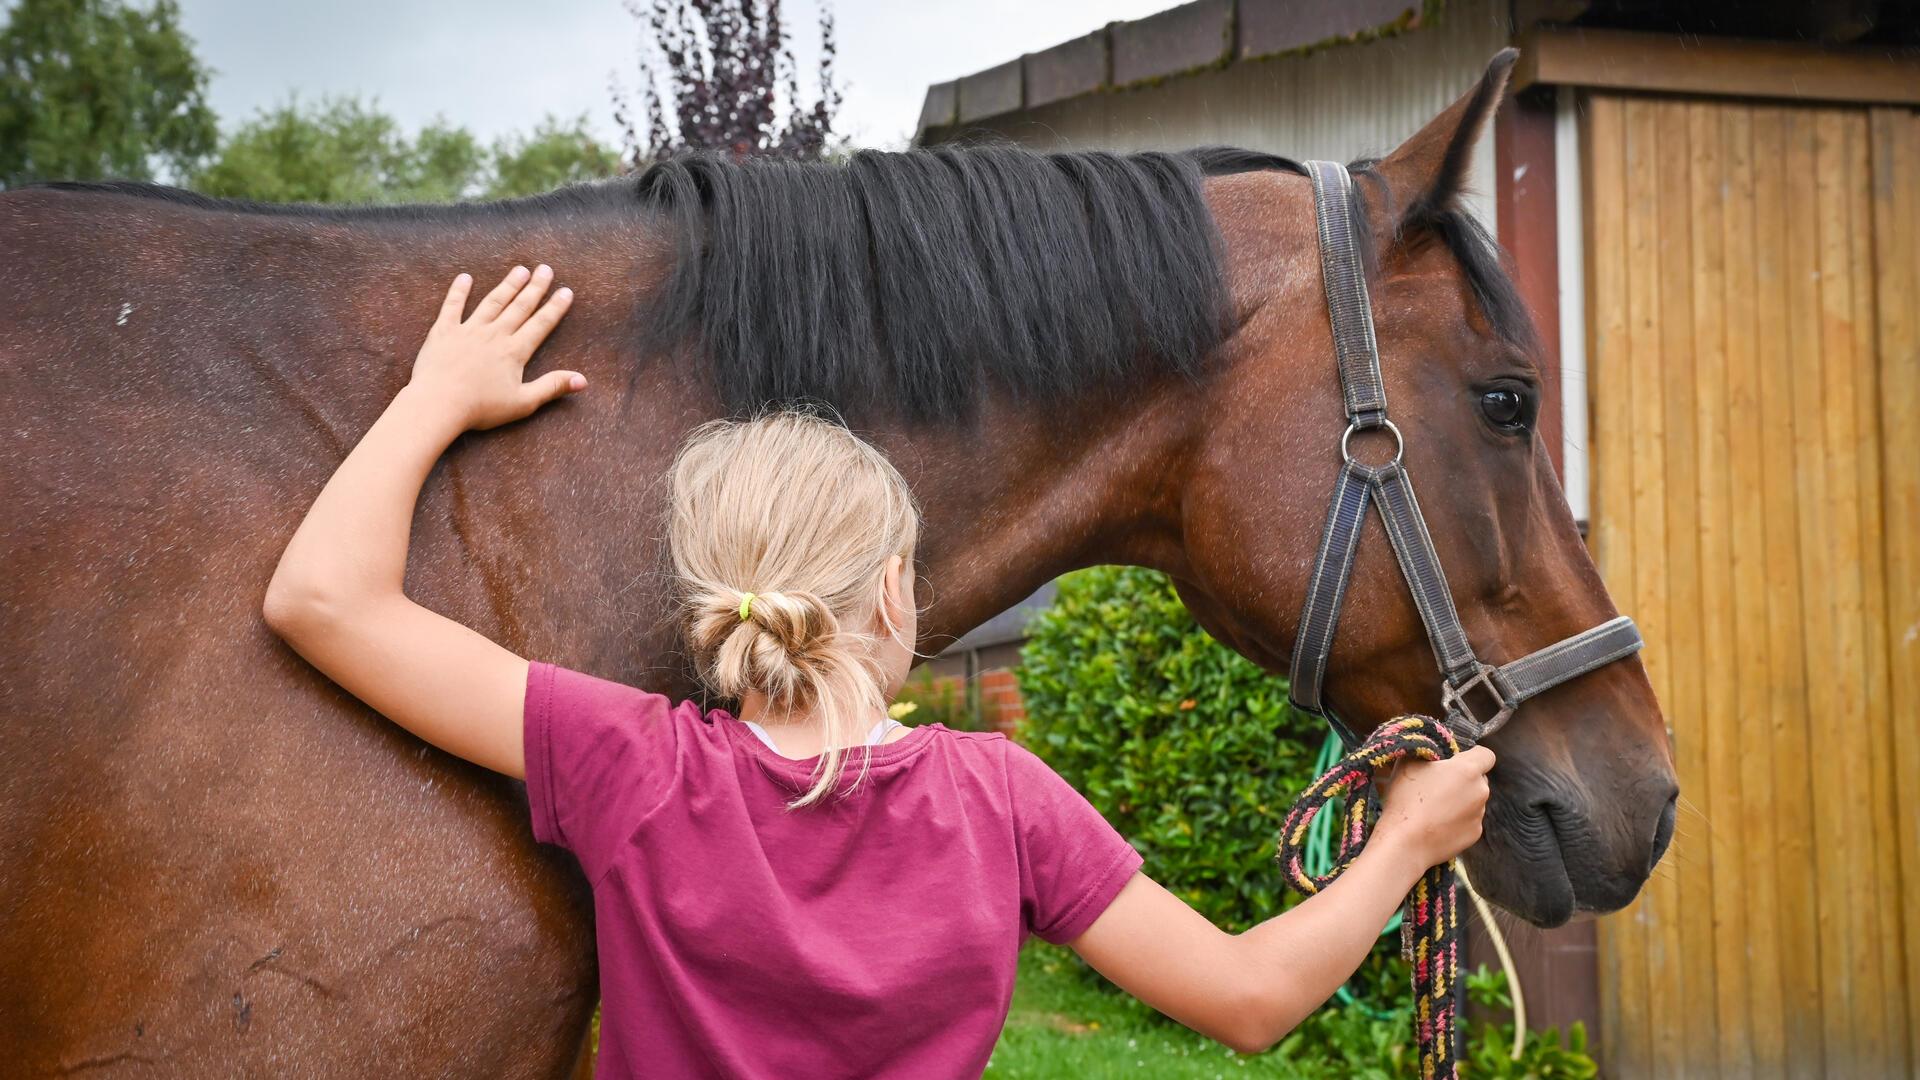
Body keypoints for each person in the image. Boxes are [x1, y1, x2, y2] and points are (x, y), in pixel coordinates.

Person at [263, 266, 1496, 1078]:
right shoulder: (1003, 803)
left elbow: (321, 599)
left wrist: (433, 399)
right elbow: (1248, 995)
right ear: (896, 591)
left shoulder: (627, 765)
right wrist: (1405, 841)